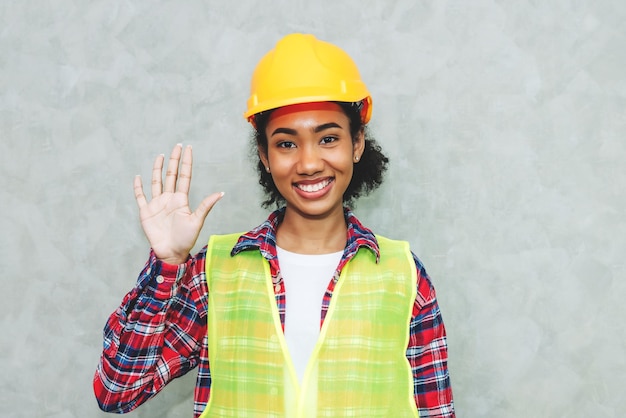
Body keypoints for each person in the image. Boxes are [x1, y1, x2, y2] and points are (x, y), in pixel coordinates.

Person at [94, 33, 455, 417]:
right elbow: (118, 390)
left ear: (357, 143)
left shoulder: (404, 277)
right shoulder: (216, 272)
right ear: (264, 155)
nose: (310, 163)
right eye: (286, 144)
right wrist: (167, 265)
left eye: (328, 138)